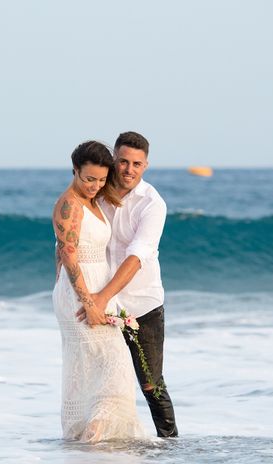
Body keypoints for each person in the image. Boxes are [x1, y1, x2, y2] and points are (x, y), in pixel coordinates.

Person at [78, 131, 178, 438]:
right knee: (102, 378)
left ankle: (170, 446)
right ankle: (99, 444)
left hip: (141, 305)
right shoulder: (98, 190)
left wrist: (100, 297)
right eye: (123, 161)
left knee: (150, 383)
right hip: (102, 305)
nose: (129, 169)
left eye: (136, 163)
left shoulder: (152, 204)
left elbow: (137, 257)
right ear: (114, 160)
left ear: (146, 165)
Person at [52, 140, 145, 443]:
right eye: (88, 179)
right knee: (111, 363)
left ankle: (91, 442)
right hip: (81, 294)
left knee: (97, 366)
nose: (95, 186)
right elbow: (68, 254)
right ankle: (94, 437)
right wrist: (86, 301)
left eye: (101, 180)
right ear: (75, 171)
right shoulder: (69, 204)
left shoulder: (93, 200)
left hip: (96, 288)